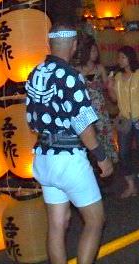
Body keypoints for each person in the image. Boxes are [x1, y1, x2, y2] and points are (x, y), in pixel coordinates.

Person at [26, 23, 112, 264]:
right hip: (68, 158)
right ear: (74, 46)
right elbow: (83, 123)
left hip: (43, 157)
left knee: (57, 224)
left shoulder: (35, 72)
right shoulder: (71, 77)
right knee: (95, 220)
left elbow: (31, 120)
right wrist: (101, 157)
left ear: (49, 44)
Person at [108, 45, 139, 198]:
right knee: (123, 154)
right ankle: (131, 186)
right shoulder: (117, 77)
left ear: (130, 58)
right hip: (124, 119)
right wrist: (110, 86)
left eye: (123, 57)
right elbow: (114, 99)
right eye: (119, 58)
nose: (120, 60)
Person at [75, 36, 117, 164]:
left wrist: (103, 85)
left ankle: (107, 160)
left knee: (104, 133)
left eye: (96, 51)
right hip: (85, 108)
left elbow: (107, 86)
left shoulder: (100, 68)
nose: (95, 54)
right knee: (89, 135)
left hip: (99, 107)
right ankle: (90, 162)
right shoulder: (77, 70)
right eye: (92, 51)